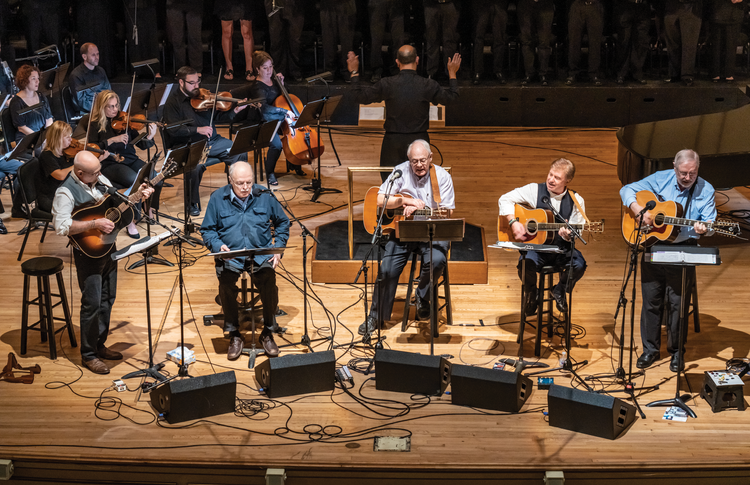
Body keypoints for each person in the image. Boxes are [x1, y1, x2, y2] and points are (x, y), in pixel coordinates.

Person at [51, 150, 154, 374]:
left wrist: (138, 195)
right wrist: (93, 223)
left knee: (108, 298)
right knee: (92, 304)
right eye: (94, 173)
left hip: (108, 246)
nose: (100, 175)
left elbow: (119, 200)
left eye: (99, 171)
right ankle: (88, 355)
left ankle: (99, 345)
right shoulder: (65, 192)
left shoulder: (100, 179)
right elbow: (61, 226)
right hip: (88, 254)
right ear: (80, 173)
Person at [619, 149, 716, 372]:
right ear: (674, 167)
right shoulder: (660, 178)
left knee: (677, 304)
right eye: (683, 173)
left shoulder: (706, 189)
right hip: (655, 245)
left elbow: (709, 224)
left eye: (692, 173)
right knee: (651, 300)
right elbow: (626, 190)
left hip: (684, 248)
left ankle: (676, 353)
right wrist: (638, 211)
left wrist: (704, 229)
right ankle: (650, 350)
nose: (687, 178)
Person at [359, 139, 454, 335]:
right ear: (408, 161)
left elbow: (448, 214)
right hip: (403, 232)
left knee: (437, 260)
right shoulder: (400, 171)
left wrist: (423, 209)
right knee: (386, 269)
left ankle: (422, 296)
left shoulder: (442, 177)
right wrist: (406, 201)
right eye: (414, 161)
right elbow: (379, 198)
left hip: (432, 231)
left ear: (430, 158)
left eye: (422, 160)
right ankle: (376, 316)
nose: (419, 165)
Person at [200, 161, 290, 360]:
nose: (245, 187)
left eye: (249, 182)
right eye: (240, 183)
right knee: (226, 284)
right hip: (231, 256)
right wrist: (217, 246)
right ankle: (234, 333)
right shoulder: (217, 198)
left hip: (260, 254)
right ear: (230, 180)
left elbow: (283, 222)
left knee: (268, 281)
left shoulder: (265, 195)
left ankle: (267, 331)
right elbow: (207, 230)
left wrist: (278, 249)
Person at [347, 45, 461, 182]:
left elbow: (358, 97)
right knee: (420, 185)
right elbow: (453, 98)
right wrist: (452, 73)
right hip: (419, 141)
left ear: (397, 62)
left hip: (392, 143)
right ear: (417, 60)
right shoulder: (427, 84)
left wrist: (354, 71)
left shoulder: (387, 83)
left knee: (390, 185)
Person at [498, 158, 588, 316]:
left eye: (557, 178)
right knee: (525, 265)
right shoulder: (535, 190)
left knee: (579, 265)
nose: (551, 180)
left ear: (568, 180)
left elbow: (577, 232)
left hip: (562, 250)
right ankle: (532, 293)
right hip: (537, 249)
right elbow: (504, 199)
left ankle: (559, 290)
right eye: (550, 174)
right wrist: (513, 222)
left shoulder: (577, 201)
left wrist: (567, 235)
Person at [73, 90, 162, 239]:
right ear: (102, 107)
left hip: (130, 159)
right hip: (110, 163)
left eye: (116, 105)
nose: (115, 110)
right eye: (110, 106)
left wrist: (150, 136)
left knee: (156, 178)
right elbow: (92, 148)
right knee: (135, 181)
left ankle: (149, 208)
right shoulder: (94, 124)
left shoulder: (124, 120)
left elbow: (141, 145)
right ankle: (131, 219)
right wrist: (112, 140)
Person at [162, 66, 250, 216]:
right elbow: (173, 130)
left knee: (239, 151)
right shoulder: (173, 102)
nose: (197, 86)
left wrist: (235, 110)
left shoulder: (202, 96)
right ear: (181, 82)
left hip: (212, 142)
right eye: (192, 83)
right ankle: (192, 203)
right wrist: (197, 130)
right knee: (194, 167)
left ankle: (238, 194)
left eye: (198, 81)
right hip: (188, 145)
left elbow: (217, 117)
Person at [249, 50, 304, 186]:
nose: (269, 71)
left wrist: (282, 85)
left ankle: (295, 163)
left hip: (279, 119)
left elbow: (285, 97)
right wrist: (284, 112)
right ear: (257, 69)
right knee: (276, 145)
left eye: (271, 67)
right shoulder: (257, 88)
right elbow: (265, 109)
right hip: (264, 121)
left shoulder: (274, 82)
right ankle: (270, 173)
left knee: (295, 137)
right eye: (265, 68)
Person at [662, 0, 703, 86]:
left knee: (689, 43)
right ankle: (674, 73)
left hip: (691, 7)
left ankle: (687, 75)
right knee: (672, 42)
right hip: (671, 7)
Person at [9, 65, 53, 144]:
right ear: (24, 81)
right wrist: (40, 139)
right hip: (27, 139)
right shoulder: (16, 102)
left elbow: (49, 118)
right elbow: (22, 128)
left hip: (43, 136)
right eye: (33, 78)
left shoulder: (41, 96)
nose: (37, 81)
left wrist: (48, 135)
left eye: (38, 78)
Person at [566, 0, 604, 86]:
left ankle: (594, 73)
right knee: (574, 42)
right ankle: (572, 73)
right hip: (578, 5)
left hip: (595, 5)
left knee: (595, 43)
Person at [264, 0, 304, 82]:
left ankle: (295, 71)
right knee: (276, 40)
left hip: (295, 5)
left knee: (295, 40)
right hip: (273, 3)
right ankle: (278, 71)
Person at [215, 0, 255, 82]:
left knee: (246, 33)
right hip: (227, 3)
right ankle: (229, 67)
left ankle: (249, 68)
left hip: (244, 3)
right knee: (227, 32)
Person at [614, 0, 652, 85]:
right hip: (625, 6)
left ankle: (637, 73)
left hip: (643, 6)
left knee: (641, 41)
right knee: (624, 41)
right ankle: (621, 73)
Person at [471, 0, 509, 85]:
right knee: (478, 38)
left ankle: (498, 70)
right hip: (480, 5)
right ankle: (478, 71)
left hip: (499, 4)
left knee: (499, 38)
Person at [517, 0, 554, 85]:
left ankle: (543, 73)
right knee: (527, 41)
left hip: (545, 5)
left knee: (544, 42)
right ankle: (529, 73)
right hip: (525, 5)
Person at [368, 0, 405, 83]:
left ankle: (396, 68)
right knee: (376, 40)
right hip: (377, 4)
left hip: (397, 5)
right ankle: (376, 70)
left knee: (398, 40)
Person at [68, 43, 112, 113]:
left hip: (103, 109)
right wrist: (101, 108)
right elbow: (82, 102)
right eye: (93, 55)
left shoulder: (101, 70)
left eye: (97, 54)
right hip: (88, 113)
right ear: (84, 57)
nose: (97, 57)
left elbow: (109, 91)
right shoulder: (76, 75)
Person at [709, 0, 746, 83]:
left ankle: (728, 73)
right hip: (717, 10)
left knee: (731, 45)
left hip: (735, 11)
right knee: (717, 45)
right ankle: (716, 72)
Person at [423, 0, 460, 80]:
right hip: (431, 5)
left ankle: (450, 71)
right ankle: (431, 71)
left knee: (449, 40)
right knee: (432, 39)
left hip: (450, 4)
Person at [321, 0, 356, 80]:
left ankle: (347, 70)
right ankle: (329, 70)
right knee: (328, 40)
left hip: (347, 6)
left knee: (347, 41)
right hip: (327, 6)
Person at [166, 0, 204, 74]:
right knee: (177, 39)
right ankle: (181, 70)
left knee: (194, 38)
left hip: (195, 4)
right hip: (173, 4)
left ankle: (196, 69)